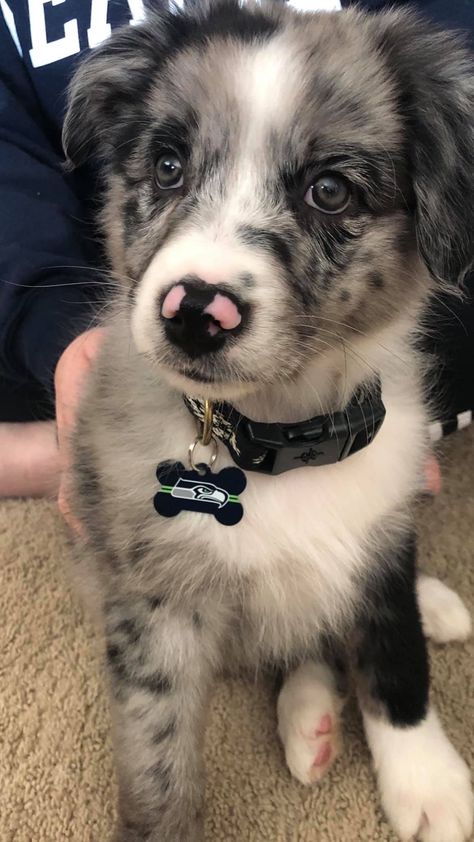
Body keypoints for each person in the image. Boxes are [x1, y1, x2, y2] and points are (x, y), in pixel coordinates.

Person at [1, 0, 473, 503]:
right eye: (169, 169)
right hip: (88, 355)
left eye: (330, 192)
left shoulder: (401, 83)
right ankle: (43, 448)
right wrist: (53, 324)